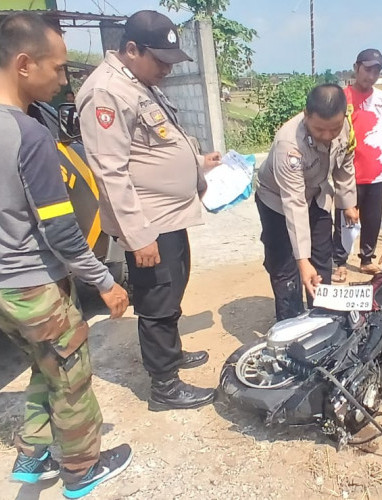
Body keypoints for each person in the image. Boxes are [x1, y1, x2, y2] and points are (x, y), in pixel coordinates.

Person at [0, 12, 132, 498]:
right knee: (71, 376)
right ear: (23, 64)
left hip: (4, 292)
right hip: (34, 283)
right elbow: (61, 230)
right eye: (57, 69)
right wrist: (104, 280)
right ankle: (81, 470)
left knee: (43, 363)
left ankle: (34, 452)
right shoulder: (29, 135)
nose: (62, 81)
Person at [76, 10, 221, 412]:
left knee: (172, 288)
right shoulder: (106, 92)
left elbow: (156, 142)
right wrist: (138, 237)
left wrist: (196, 163)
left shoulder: (136, 83)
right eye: (159, 60)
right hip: (148, 222)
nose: (166, 69)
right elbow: (110, 170)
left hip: (169, 218)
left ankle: (169, 356)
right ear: (131, 49)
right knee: (157, 300)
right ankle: (165, 387)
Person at [256, 83, 358, 321]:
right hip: (277, 202)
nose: (327, 136)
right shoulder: (288, 145)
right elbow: (294, 204)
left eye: (333, 128)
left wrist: (348, 203)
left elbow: (345, 166)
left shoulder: (345, 127)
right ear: (306, 115)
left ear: (343, 116)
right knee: (286, 266)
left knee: (322, 256)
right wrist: (302, 260)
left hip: (318, 193)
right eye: (319, 129)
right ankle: (290, 323)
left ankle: (322, 317)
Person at [331, 49, 382, 283]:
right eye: (367, 69)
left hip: (376, 172)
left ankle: (366, 259)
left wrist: (380, 141)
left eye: (376, 71)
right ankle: (339, 262)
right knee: (345, 220)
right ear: (356, 67)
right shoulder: (342, 97)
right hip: (349, 173)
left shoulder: (381, 98)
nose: (371, 75)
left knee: (372, 218)